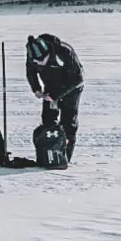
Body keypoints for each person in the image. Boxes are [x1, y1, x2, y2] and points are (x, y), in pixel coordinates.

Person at [25, 32, 84, 162]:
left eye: (41, 61)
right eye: (36, 61)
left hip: (71, 87)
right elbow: (31, 72)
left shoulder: (63, 52)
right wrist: (36, 89)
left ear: (48, 53)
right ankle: (48, 153)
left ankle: (65, 156)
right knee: (48, 119)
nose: (39, 63)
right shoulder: (32, 55)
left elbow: (77, 78)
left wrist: (55, 96)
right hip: (50, 86)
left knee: (68, 121)